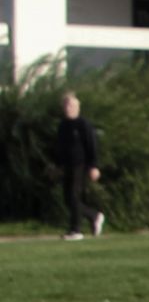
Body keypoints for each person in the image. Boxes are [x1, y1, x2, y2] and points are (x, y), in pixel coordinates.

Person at [56, 92, 104, 241]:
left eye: (71, 105)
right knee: (67, 199)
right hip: (67, 165)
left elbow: (91, 145)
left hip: (80, 164)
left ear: (77, 107)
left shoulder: (83, 124)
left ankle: (75, 230)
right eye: (66, 105)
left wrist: (94, 166)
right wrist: (58, 166)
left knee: (74, 196)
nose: (68, 108)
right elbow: (60, 148)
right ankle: (94, 216)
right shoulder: (63, 126)